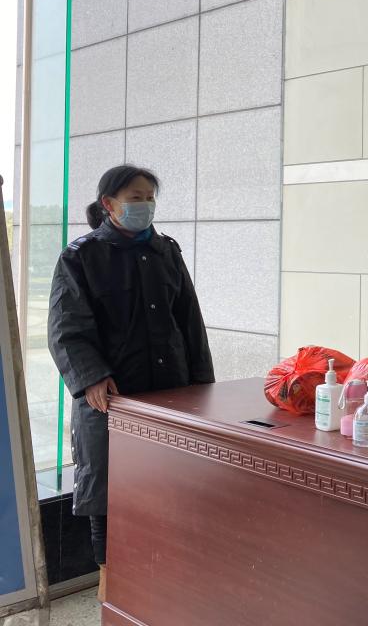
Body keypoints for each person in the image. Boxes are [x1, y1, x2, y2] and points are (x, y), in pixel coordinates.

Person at [47, 165, 214, 602]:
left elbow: (190, 323)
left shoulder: (166, 251)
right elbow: (67, 329)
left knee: (166, 486)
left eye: (149, 197)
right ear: (109, 204)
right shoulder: (81, 257)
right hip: (109, 400)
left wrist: (202, 386)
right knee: (107, 495)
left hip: (169, 395)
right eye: (135, 198)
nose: (145, 205)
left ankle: (161, 583)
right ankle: (112, 588)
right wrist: (90, 377)